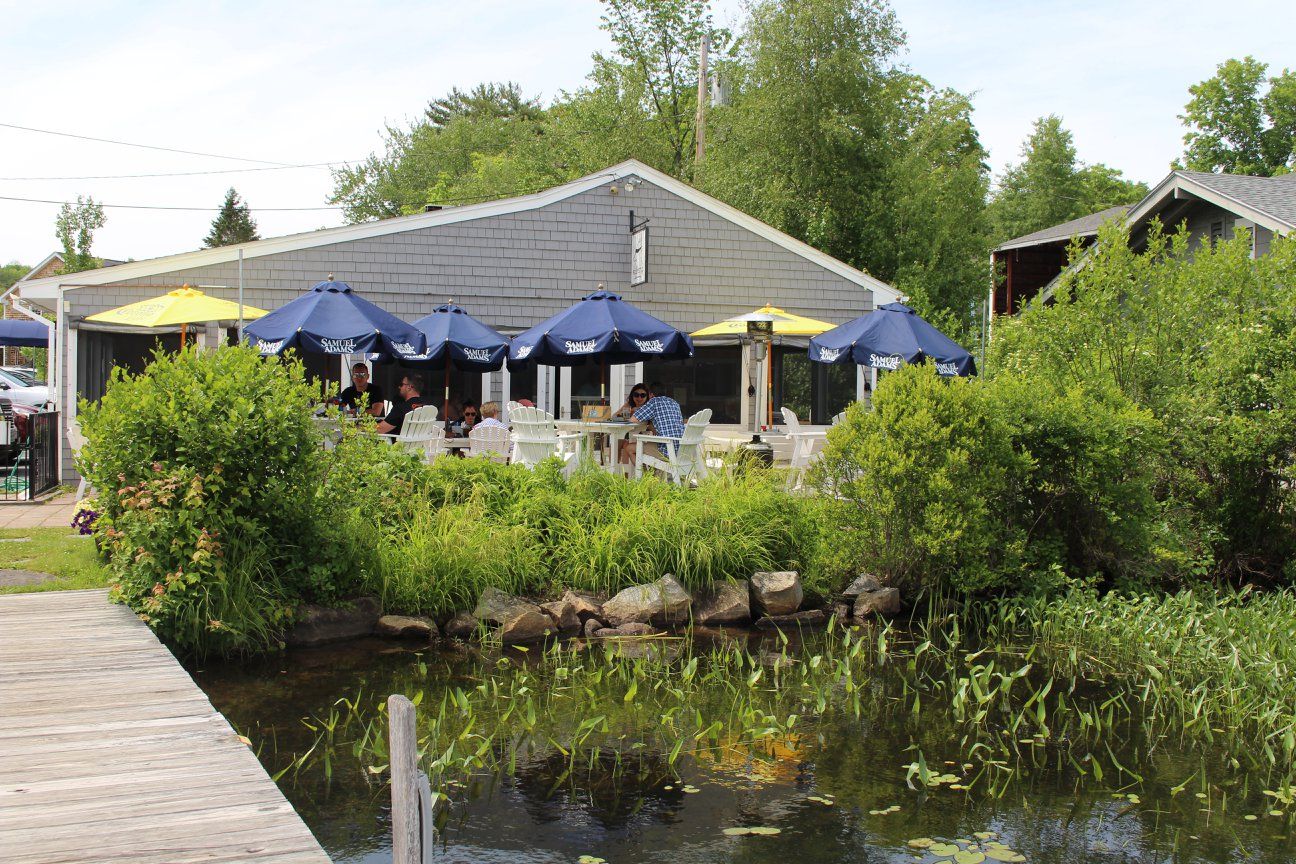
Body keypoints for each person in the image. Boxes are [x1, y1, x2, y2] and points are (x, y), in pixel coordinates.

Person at [618, 383, 684, 464]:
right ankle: (650, 471)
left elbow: (632, 420)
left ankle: (642, 472)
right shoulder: (674, 402)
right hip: (681, 448)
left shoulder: (654, 402)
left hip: (667, 449)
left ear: (651, 394)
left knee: (629, 448)